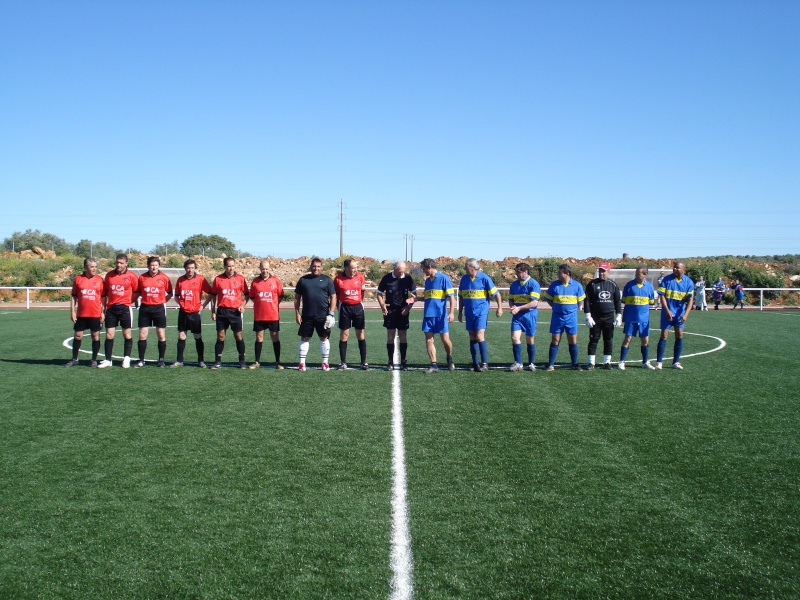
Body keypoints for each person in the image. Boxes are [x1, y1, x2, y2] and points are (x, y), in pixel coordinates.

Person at [458, 258, 503, 372]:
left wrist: (499, 308)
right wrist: (459, 312)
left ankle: (484, 363)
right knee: (472, 336)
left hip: (481, 312)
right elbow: (461, 297)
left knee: (479, 336)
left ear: (473, 268)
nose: (464, 268)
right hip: (469, 312)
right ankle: (475, 363)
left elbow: (496, 294)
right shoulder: (463, 279)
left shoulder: (484, 278)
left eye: (466, 266)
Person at [294, 257, 336, 371]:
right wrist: (297, 313)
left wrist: (331, 314)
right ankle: (302, 363)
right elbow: (297, 298)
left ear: (321, 267)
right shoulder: (303, 280)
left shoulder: (327, 280)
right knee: (304, 338)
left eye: (318, 266)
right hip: (307, 315)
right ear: (310, 267)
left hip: (323, 315)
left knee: (324, 338)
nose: (316, 268)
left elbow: (333, 297)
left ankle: (325, 363)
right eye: (314, 266)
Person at [542, 263, 586, 371]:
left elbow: (581, 301)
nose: (558, 274)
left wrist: (579, 307)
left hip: (571, 317)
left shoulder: (577, 285)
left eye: (560, 272)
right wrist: (556, 308)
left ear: (567, 273)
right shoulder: (554, 285)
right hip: (557, 317)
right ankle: (551, 364)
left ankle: (574, 364)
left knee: (572, 339)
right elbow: (548, 299)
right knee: (555, 339)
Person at [98, 253, 139, 368]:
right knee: (109, 334)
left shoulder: (131, 276)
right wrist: (104, 307)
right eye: (117, 263)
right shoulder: (109, 275)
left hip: (125, 308)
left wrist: (129, 301)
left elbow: (137, 291)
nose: (119, 265)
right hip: (111, 308)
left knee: (127, 334)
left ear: (126, 263)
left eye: (121, 263)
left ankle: (126, 358)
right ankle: (108, 359)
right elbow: (105, 293)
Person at [208, 257, 249, 369]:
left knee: (238, 336)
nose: (231, 268)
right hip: (221, 311)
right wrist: (213, 311)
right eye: (229, 266)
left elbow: (247, 294)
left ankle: (242, 362)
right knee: (221, 337)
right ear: (225, 266)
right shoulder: (218, 279)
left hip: (235, 311)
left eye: (233, 266)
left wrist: (242, 305)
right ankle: (217, 361)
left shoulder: (240, 279)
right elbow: (213, 295)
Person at [376, 260, 417, 371]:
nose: (401, 274)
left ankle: (403, 362)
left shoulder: (408, 278)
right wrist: (382, 305)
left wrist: (409, 307)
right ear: (394, 269)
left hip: (403, 311)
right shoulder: (386, 278)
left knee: (403, 336)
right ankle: (390, 361)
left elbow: (414, 295)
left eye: (403, 271)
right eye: (399, 272)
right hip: (390, 312)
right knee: (390, 337)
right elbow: (379, 293)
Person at [171, 258, 212, 368]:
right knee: (181, 336)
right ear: (185, 268)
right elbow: (176, 296)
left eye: (192, 268)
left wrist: (203, 306)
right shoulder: (180, 280)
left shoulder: (200, 279)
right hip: (183, 312)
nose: (190, 270)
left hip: (195, 313)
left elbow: (211, 293)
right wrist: (181, 304)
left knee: (197, 336)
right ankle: (179, 361)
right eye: (188, 268)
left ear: (195, 268)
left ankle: (201, 361)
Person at [65, 257, 105, 367]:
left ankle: (94, 360)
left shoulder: (100, 280)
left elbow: (103, 298)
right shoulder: (78, 279)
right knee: (78, 336)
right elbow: (73, 297)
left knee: (95, 336)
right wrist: (72, 312)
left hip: (95, 313)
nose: (94, 269)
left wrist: (103, 312)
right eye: (92, 267)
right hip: (81, 314)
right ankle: (74, 359)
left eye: (96, 267)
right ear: (85, 267)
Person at [656, 261, 694, 370]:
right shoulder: (667, 280)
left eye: (677, 268)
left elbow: (690, 300)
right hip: (667, 312)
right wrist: (667, 310)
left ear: (683, 270)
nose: (675, 269)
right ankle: (659, 362)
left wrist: (686, 314)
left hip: (679, 314)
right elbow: (662, 296)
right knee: (664, 335)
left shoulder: (688, 282)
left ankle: (676, 361)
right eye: (674, 267)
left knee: (679, 335)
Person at [135, 256, 173, 368]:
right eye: (152, 265)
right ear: (148, 266)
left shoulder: (164, 278)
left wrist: (162, 301)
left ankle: (161, 360)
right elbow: (138, 292)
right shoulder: (142, 278)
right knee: (142, 334)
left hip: (158, 309)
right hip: (145, 308)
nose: (154, 267)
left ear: (158, 266)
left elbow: (170, 293)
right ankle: (141, 360)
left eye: (156, 265)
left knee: (161, 334)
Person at [583, 262, 622, 370]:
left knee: (608, 339)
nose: (601, 273)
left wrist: (619, 315)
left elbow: (617, 301)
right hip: (595, 317)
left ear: (608, 272)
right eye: (600, 270)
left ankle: (607, 362)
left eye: (604, 271)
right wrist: (588, 316)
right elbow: (587, 301)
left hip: (609, 317)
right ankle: (591, 363)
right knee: (594, 339)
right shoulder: (592, 284)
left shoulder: (613, 285)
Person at [420, 258, 456, 373]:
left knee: (445, 339)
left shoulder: (444, 278)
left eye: (424, 268)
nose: (423, 271)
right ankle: (434, 365)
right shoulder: (427, 281)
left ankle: (449, 357)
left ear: (429, 266)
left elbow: (451, 297)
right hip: (428, 315)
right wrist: (416, 298)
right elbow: (428, 297)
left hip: (440, 316)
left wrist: (451, 313)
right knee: (429, 340)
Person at [618, 266, 656, 370]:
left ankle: (645, 362)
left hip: (644, 319)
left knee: (645, 340)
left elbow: (652, 302)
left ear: (645, 275)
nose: (636, 275)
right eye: (636, 273)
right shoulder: (629, 285)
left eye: (638, 273)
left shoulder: (649, 287)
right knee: (627, 339)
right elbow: (624, 300)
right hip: (631, 318)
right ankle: (622, 361)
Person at [249, 260, 284, 370]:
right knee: (259, 338)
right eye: (263, 268)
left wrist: (272, 304)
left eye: (267, 268)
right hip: (259, 315)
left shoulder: (276, 281)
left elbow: (280, 296)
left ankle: (278, 362)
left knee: (275, 337)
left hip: (272, 315)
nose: (265, 271)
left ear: (270, 268)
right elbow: (252, 297)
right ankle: (257, 361)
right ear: (260, 269)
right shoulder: (255, 282)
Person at [333, 258, 368, 370]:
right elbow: (336, 295)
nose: (355, 270)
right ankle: (343, 362)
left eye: (356, 267)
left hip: (358, 307)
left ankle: (363, 362)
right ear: (346, 268)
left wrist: (357, 301)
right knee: (344, 335)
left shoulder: (360, 277)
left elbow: (362, 293)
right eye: (353, 268)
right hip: (345, 308)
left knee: (360, 334)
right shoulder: (338, 279)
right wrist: (338, 307)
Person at [507, 262, 540, 372]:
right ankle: (518, 363)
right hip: (517, 317)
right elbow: (511, 300)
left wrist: (519, 308)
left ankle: (531, 363)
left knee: (530, 340)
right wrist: (512, 307)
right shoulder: (514, 285)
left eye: (518, 271)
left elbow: (534, 303)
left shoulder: (533, 284)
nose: (516, 273)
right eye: (516, 271)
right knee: (515, 338)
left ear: (525, 272)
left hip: (529, 315)